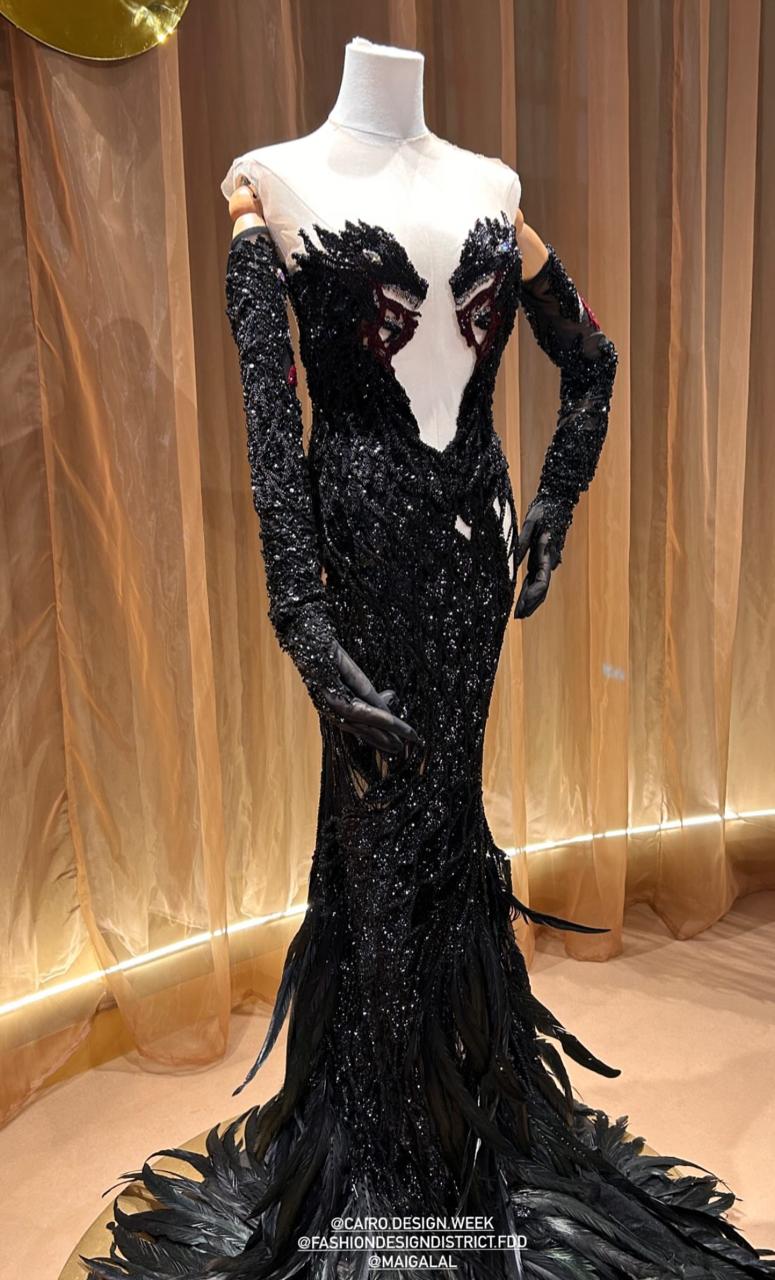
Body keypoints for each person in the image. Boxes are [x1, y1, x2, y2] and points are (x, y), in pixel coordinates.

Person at [82, 37, 775, 1280]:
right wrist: (302, 621)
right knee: (382, 845)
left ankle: (436, 1143)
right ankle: (385, 1157)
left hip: (469, 563)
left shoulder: (493, 189)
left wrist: (554, 501)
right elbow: (270, 430)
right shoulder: (269, 188)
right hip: (360, 575)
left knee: (432, 830)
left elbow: (592, 363)